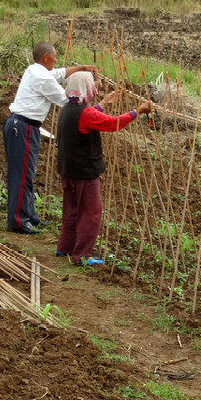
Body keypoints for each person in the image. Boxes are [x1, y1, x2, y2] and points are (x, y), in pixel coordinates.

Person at [55, 72, 153, 265]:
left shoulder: (67, 108)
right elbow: (111, 123)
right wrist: (137, 112)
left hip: (68, 170)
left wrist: (104, 104)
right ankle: (82, 256)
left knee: (71, 209)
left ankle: (64, 247)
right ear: (86, 87)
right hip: (85, 172)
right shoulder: (85, 113)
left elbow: (89, 119)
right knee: (91, 214)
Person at [4, 42, 97, 234]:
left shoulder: (36, 70)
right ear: (45, 57)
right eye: (54, 57)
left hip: (26, 127)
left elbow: (61, 73)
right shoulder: (42, 78)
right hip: (22, 127)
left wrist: (82, 68)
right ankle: (18, 222)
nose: (56, 60)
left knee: (27, 174)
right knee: (21, 175)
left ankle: (30, 215)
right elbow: (66, 99)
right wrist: (88, 94)